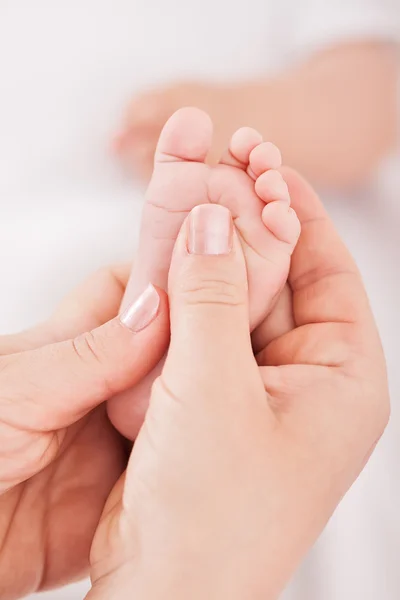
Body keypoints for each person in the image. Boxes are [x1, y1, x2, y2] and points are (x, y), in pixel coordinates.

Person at [0, 2, 398, 599]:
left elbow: (374, 93)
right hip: (39, 252)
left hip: (100, 272)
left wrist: (253, 112)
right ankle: (188, 336)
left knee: (119, 298)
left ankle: (192, 329)